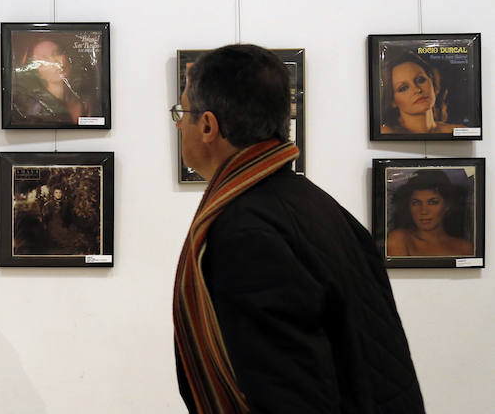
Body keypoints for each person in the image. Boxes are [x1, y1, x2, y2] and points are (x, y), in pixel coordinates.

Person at [172, 44, 424, 413]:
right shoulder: (317, 206)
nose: (179, 123)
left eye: (183, 113)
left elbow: (285, 394)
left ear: (208, 125)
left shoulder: (246, 230)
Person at [386, 170, 473, 256]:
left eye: (433, 202)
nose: (424, 211)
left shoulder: (464, 247)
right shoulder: (399, 239)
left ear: (447, 205)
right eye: (416, 203)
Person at [380, 50, 464, 134]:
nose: (417, 90)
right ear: (392, 101)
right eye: (403, 88)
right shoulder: (387, 133)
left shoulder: (458, 131)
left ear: (431, 81)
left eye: (421, 80)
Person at [11, 38, 89, 124]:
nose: (55, 62)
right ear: (36, 71)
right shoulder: (36, 110)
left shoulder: (85, 100)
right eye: (44, 59)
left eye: (57, 53)